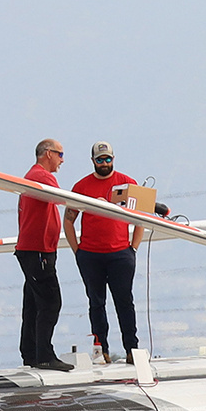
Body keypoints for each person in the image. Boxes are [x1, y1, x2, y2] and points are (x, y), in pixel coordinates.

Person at [64, 141, 145, 364]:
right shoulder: (81, 187)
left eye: (108, 158)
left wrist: (133, 248)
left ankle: (132, 349)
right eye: (100, 159)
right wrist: (77, 250)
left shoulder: (128, 183)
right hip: (90, 255)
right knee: (96, 303)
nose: (104, 163)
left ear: (114, 158)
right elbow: (68, 220)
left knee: (124, 301)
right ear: (92, 161)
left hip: (121, 254)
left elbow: (141, 218)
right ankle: (102, 351)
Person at [16, 138, 73, 371]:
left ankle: (30, 352)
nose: (62, 160)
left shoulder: (32, 176)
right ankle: (43, 355)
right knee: (50, 302)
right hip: (39, 251)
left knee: (33, 304)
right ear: (48, 154)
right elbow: (62, 199)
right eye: (60, 154)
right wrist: (92, 204)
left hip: (32, 250)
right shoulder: (41, 176)